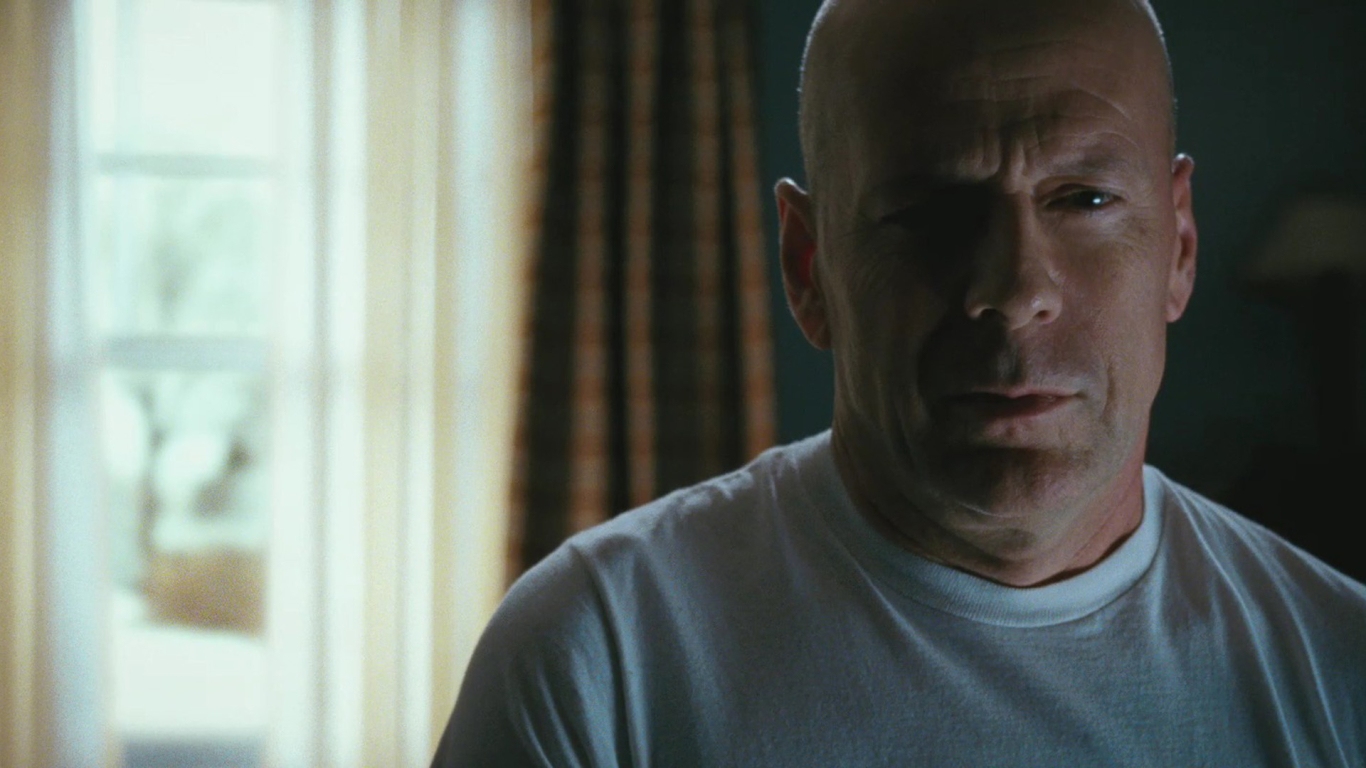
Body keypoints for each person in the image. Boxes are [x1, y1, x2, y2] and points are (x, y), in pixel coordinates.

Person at [433, 0, 1366, 764]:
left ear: (1180, 248)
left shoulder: (1339, 668)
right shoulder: (597, 658)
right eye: (929, 211)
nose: (1014, 291)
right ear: (809, 268)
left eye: (1084, 199)